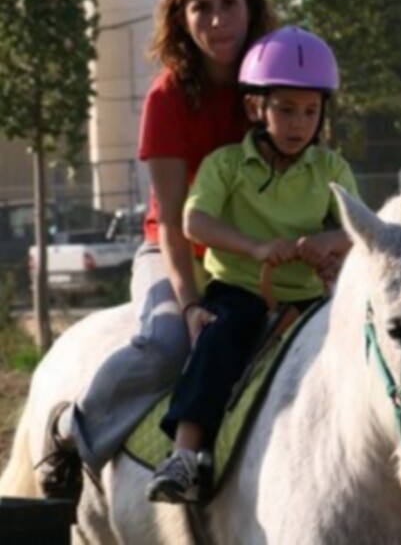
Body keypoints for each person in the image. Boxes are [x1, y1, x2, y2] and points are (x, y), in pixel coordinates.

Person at [35, 0, 277, 502]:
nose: (217, 20)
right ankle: (75, 430)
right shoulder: (169, 97)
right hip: (174, 251)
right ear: (179, 17)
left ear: (251, 6)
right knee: (170, 341)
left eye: (229, 3)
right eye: (201, 7)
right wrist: (191, 305)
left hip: (246, 254)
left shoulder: (271, 84)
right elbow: (169, 222)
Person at [146, 25, 359, 504]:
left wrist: (326, 242)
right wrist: (258, 249)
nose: (298, 123)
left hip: (306, 298)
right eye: (285, 109)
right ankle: (184, 454)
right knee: (219, 339)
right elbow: (193, 221)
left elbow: (356, 229)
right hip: (240, 289)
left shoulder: (332, 171)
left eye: (310, 110)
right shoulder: (225, 165)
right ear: (254, 108)